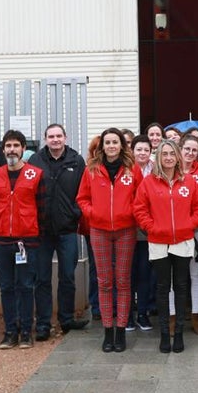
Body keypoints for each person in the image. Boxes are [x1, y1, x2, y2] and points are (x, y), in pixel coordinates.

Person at [134, 140, 198, 354]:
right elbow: (139, 209)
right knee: (162, 287)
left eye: (172, 154)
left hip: (183, 241)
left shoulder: (189, 182)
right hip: (158, 241)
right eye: (164, 154)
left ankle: (180, 334)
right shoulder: (148, 183)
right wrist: (151, 227)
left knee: (181, 285)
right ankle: (165, 333)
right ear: (159, 157)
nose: (168, 157)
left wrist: (188, 225)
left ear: (178, 157)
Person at [77, 127, 140, 353]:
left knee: (122, 281)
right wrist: (93, 213)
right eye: (107, 142)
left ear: (122, 145)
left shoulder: (132, 169)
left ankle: (121, 330)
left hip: (125, 230)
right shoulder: (92, 170)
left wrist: (129, 213)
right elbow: (82, 198)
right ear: (101, 146)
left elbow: (140, 196)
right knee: (104, 282)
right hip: (99, 230)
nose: (111, 146)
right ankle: (107, 331)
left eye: (115, 142)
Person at [0, 130, 45, 349]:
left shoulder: (36, 174)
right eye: (8, 146)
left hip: (27, 240)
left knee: (25, 286)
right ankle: (10, 331)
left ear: (23, 149)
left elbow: (43, 208)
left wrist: (37, 233)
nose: (11, 150)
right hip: (1, 239)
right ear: (3, 150)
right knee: (7, 286)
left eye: (15, 145)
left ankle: (25, 333)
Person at [28, 123, 86, 339]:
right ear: (45, 139)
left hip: (67, 229)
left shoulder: (76, 160)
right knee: (42, 278)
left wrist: (75, 212)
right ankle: (43, 324)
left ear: (65, 137)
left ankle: (67, 319)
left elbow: (84, 190)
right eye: (51, 136)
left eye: (58, 136)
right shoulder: (35, 160)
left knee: (68, 277)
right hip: (41, 231)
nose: (55, 140)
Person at [178, 133, 198, 335]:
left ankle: (196, 315)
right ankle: (175, 315)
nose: (190, 153)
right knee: (176, 274)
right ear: (180, 149)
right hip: (176, 230)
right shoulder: (170, 169)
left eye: (194, 150)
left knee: (196, 272)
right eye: (186, 149)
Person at [128, 134, 157, 331]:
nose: (142, 153)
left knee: (146, 272)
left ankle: (143, 313)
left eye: (146, 150)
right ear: (132, 151)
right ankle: (128, 314)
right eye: (139, 149)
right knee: (129, 273)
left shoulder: (156, 168)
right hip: (129, 226)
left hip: (149, 228)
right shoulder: (126, 169)